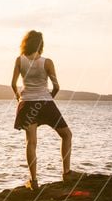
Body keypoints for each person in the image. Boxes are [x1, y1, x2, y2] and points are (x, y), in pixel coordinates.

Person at [11, 30, 82, 190]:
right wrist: (50, 97)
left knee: (31, 142)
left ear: (26, 43)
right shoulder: (47, 62)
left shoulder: (19, 60)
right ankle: (67, 173)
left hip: (27, 103)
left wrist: (19, 99)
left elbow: (13, 84)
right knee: (66, 135)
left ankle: (34, 181)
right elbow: (56, 86)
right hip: (45, 102)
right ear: (40, 45)